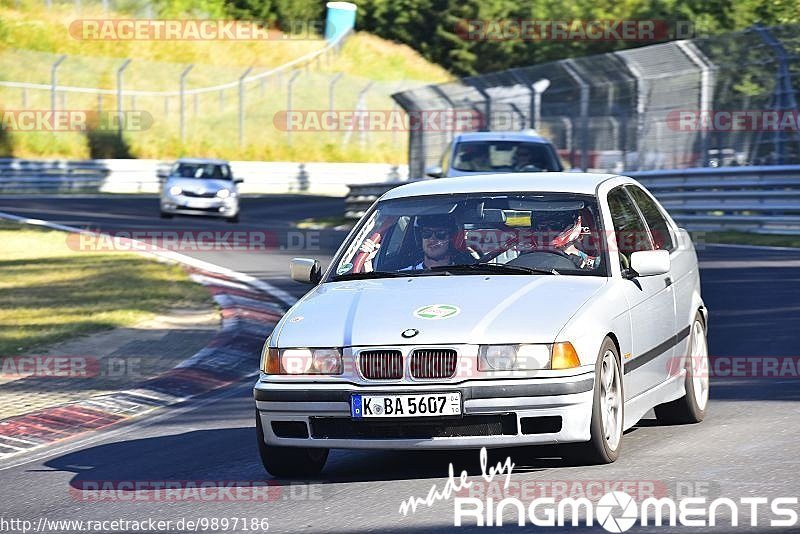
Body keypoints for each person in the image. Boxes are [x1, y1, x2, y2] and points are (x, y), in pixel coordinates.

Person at [358, 213, 474, 272]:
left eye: (440, 234)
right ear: (420, 238)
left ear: (452, 239)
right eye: (426, 233)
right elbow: (376, 292)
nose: (432, 239)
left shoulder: (467, 274)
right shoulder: (399, 274)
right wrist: (367, 263)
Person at [532, 210, 599, 269]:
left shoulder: (594, 263)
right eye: (542, 227)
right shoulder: (525, 253)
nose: (548, 231)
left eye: (555, 226)